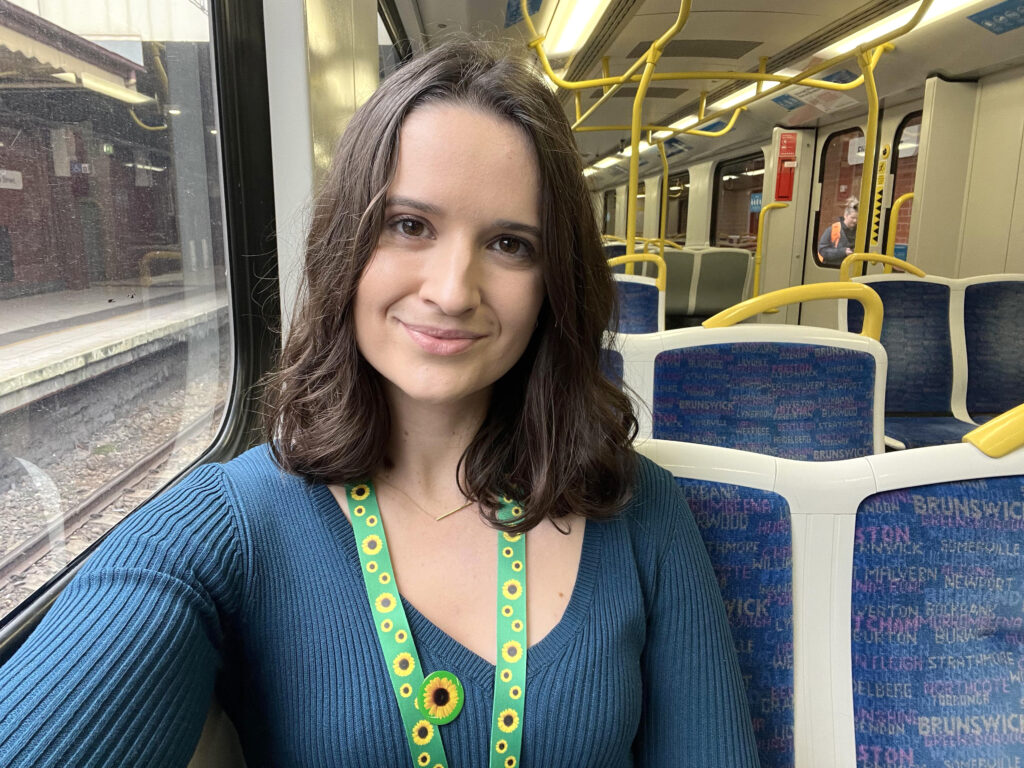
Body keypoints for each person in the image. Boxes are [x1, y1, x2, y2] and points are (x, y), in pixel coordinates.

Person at [0, 40, 759, 767]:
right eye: (409, 225)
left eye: (510, 245)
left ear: (552, 285)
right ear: (347, 247)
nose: (452, 291)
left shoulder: (639, 512)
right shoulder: (226, 529)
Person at [816, 197, 858, 267]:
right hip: (834, 269)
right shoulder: (832, 230)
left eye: (857, 218)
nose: (855, 221)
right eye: (852, 218)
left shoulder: (860, 232)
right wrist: (843, 252)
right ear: (845, 215)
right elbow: (822, 251)